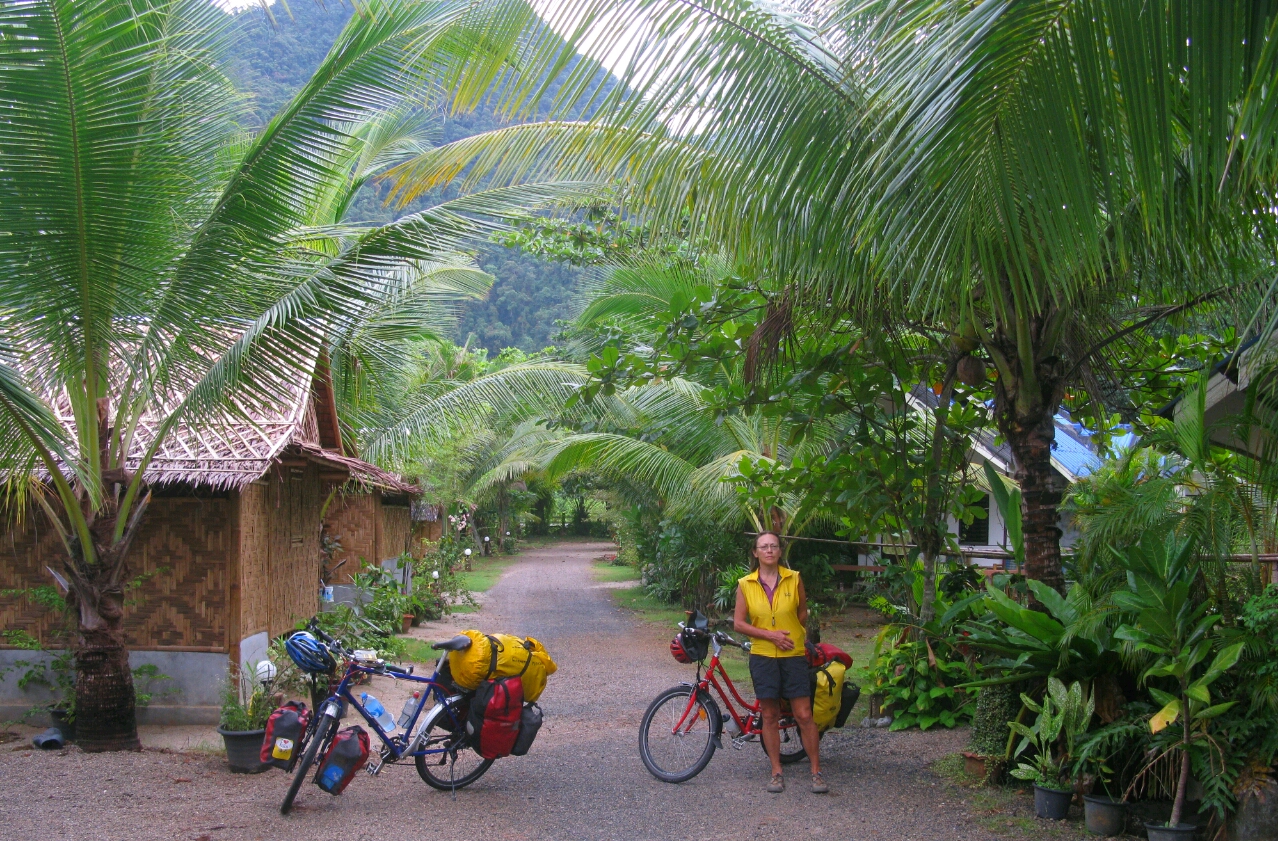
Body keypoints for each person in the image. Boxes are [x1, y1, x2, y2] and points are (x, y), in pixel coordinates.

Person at [733, 531, 826, 794]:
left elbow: (802, 612)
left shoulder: (794, 578)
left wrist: (792, 634)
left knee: (804, 714)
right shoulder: (746, 584)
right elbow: (739, 622)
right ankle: (776, 771)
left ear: (780, 551)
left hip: (793, 655)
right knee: (770, 714)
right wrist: (770, 635)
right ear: (755, 552)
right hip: (763, 656)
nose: (769, 551)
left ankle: (816, 771)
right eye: (764, 547)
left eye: (774, 546)